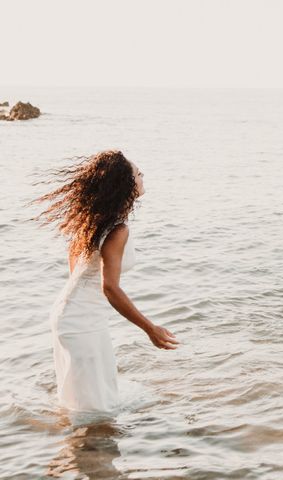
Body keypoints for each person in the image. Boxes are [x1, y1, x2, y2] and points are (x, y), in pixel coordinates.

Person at [35, 150, 179, 413]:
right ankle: (88, 449)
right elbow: (109, 287)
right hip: (81, 321)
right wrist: (150, 328)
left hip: (71, 313)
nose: (142, 175)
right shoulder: (117, 229)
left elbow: (75, 266)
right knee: (95, 405)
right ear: (124, 183)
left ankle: (81, 447)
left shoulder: (93, 221)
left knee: (83, 399)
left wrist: (83, 304)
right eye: (137, 173)